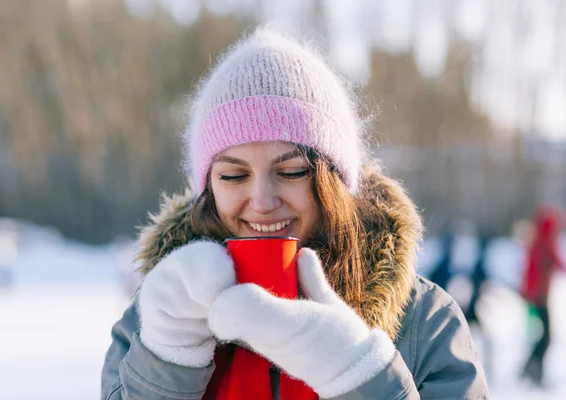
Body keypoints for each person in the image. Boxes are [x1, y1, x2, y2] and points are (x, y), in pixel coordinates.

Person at [101, 27, 489, 399]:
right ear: (208, 188)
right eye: (234, 175)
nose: (263, 200)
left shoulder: (425, 322)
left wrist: (360, 375)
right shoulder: (155, 320)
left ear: (336, 182)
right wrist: (167, 365)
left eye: (292, 172)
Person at [520, 205, 565, 386]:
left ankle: (531, 369)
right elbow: (558, 262)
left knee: (541, 335)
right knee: (546, 336)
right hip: (539, 297)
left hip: (533, 296)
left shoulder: (536, 240)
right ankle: (532, 370)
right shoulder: (546, 242)